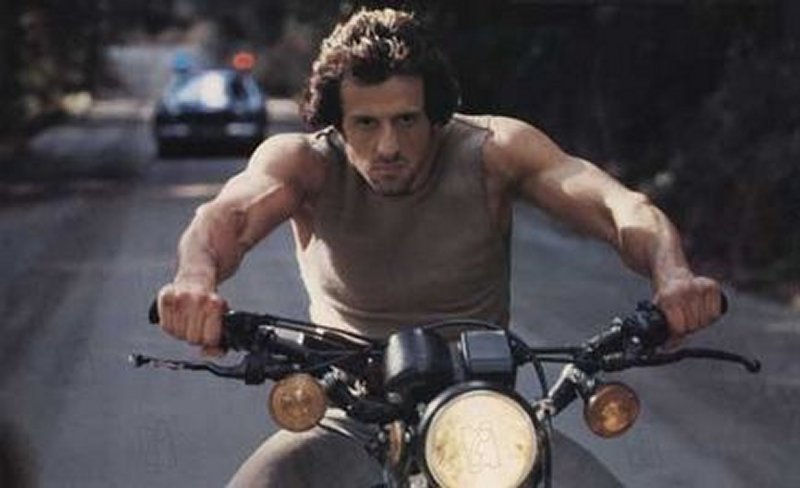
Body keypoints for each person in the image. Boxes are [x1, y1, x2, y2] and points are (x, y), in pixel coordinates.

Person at [155, 7, 724, 487]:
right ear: (337, 123)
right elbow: (226, 218)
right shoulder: (305, 163)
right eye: (366, 123)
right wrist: (194, 283)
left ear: (436, 114)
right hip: (347, 414)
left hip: (484, 415)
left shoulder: (494, 151)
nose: (389, 146)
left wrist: (672, 277)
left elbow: (617, 207)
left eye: (407, 120)